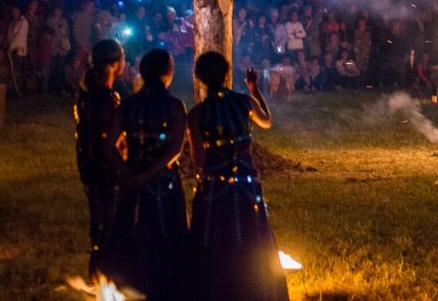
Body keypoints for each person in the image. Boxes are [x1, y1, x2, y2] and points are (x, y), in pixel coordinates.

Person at [187, 52, 289, 301]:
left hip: (215, 192)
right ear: (226, 74)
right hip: (246, 187)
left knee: (216, 241)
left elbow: (199, 160)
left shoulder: (198, 114)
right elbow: (266, 121)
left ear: (199, 78)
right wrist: (254, 90)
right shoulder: (244, 102)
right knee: (251, 240)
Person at [99, 49, 187, 300]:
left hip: (134, 182)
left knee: (133, 230)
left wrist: (131, 172)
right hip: (165, 184)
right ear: (167, 73)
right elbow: (174, 149)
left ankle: (131, 282)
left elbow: (108, 147)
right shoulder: (174, 106)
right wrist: (149, 173)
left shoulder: (129, 105)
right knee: (166, 236)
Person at [74, 39, 125, 276]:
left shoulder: (88, 94)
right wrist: (124, 166)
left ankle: (97, 272)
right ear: (114, 64)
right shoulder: (103, 98)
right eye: (122, 57)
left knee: (100, 221)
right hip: (105, 168)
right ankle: (104, 274)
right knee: (109, 222)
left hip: (90, 166)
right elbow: (107, 141)